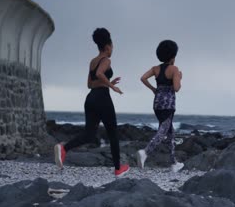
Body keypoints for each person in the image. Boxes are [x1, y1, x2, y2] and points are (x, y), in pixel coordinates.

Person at [54, 28, 130, 177]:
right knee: (113, 133)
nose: (112, 50)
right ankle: (118, 168)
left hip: (91, 99)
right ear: (108, 46)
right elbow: (99, 74)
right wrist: (112, 86)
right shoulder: (106, 60)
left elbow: (90, 84)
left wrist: (108, 82)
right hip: (102, 99)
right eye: (112, 47)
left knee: (89, 134)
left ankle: (64, 149)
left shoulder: (93, 61)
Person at [136, 40, 184, 172]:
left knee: (170, 132)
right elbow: (176, 88)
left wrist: (153, 89)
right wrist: (179, 77)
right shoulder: (174, 69)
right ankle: (145, 152)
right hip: (168, 105)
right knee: (163, 131)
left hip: (157, 103)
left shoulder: (155, 69)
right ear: (173, 56)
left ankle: (173, 163)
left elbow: (143, 78)